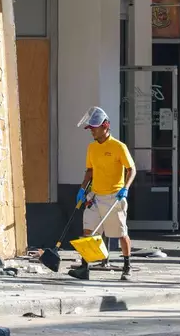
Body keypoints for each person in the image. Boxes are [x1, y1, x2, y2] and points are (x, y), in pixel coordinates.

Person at [69, 106, 137, 281]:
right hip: (96, 196)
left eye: (94, 128)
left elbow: (131, 169)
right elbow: (90, 171)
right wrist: (82, 188)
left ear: (105, 126)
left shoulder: (118, 147)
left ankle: (127, 267)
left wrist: (126, 188)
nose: (91, 131)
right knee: (87, 231)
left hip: (115, 196)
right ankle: (84, 268)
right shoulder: (92, 148)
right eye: (90, 128)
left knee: (121, 233)